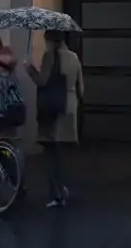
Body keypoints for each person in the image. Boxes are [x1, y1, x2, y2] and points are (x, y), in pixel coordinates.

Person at [26, 30, 84, 208]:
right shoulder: (74, 57)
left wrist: (30, 69)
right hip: (69, 106)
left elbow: (42, 81)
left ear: (50, 40)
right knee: (60, 153)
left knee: (52, 154)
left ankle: (57, 194)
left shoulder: (50, 56)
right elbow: (81, 87)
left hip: (53, 108)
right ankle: (61, 189)